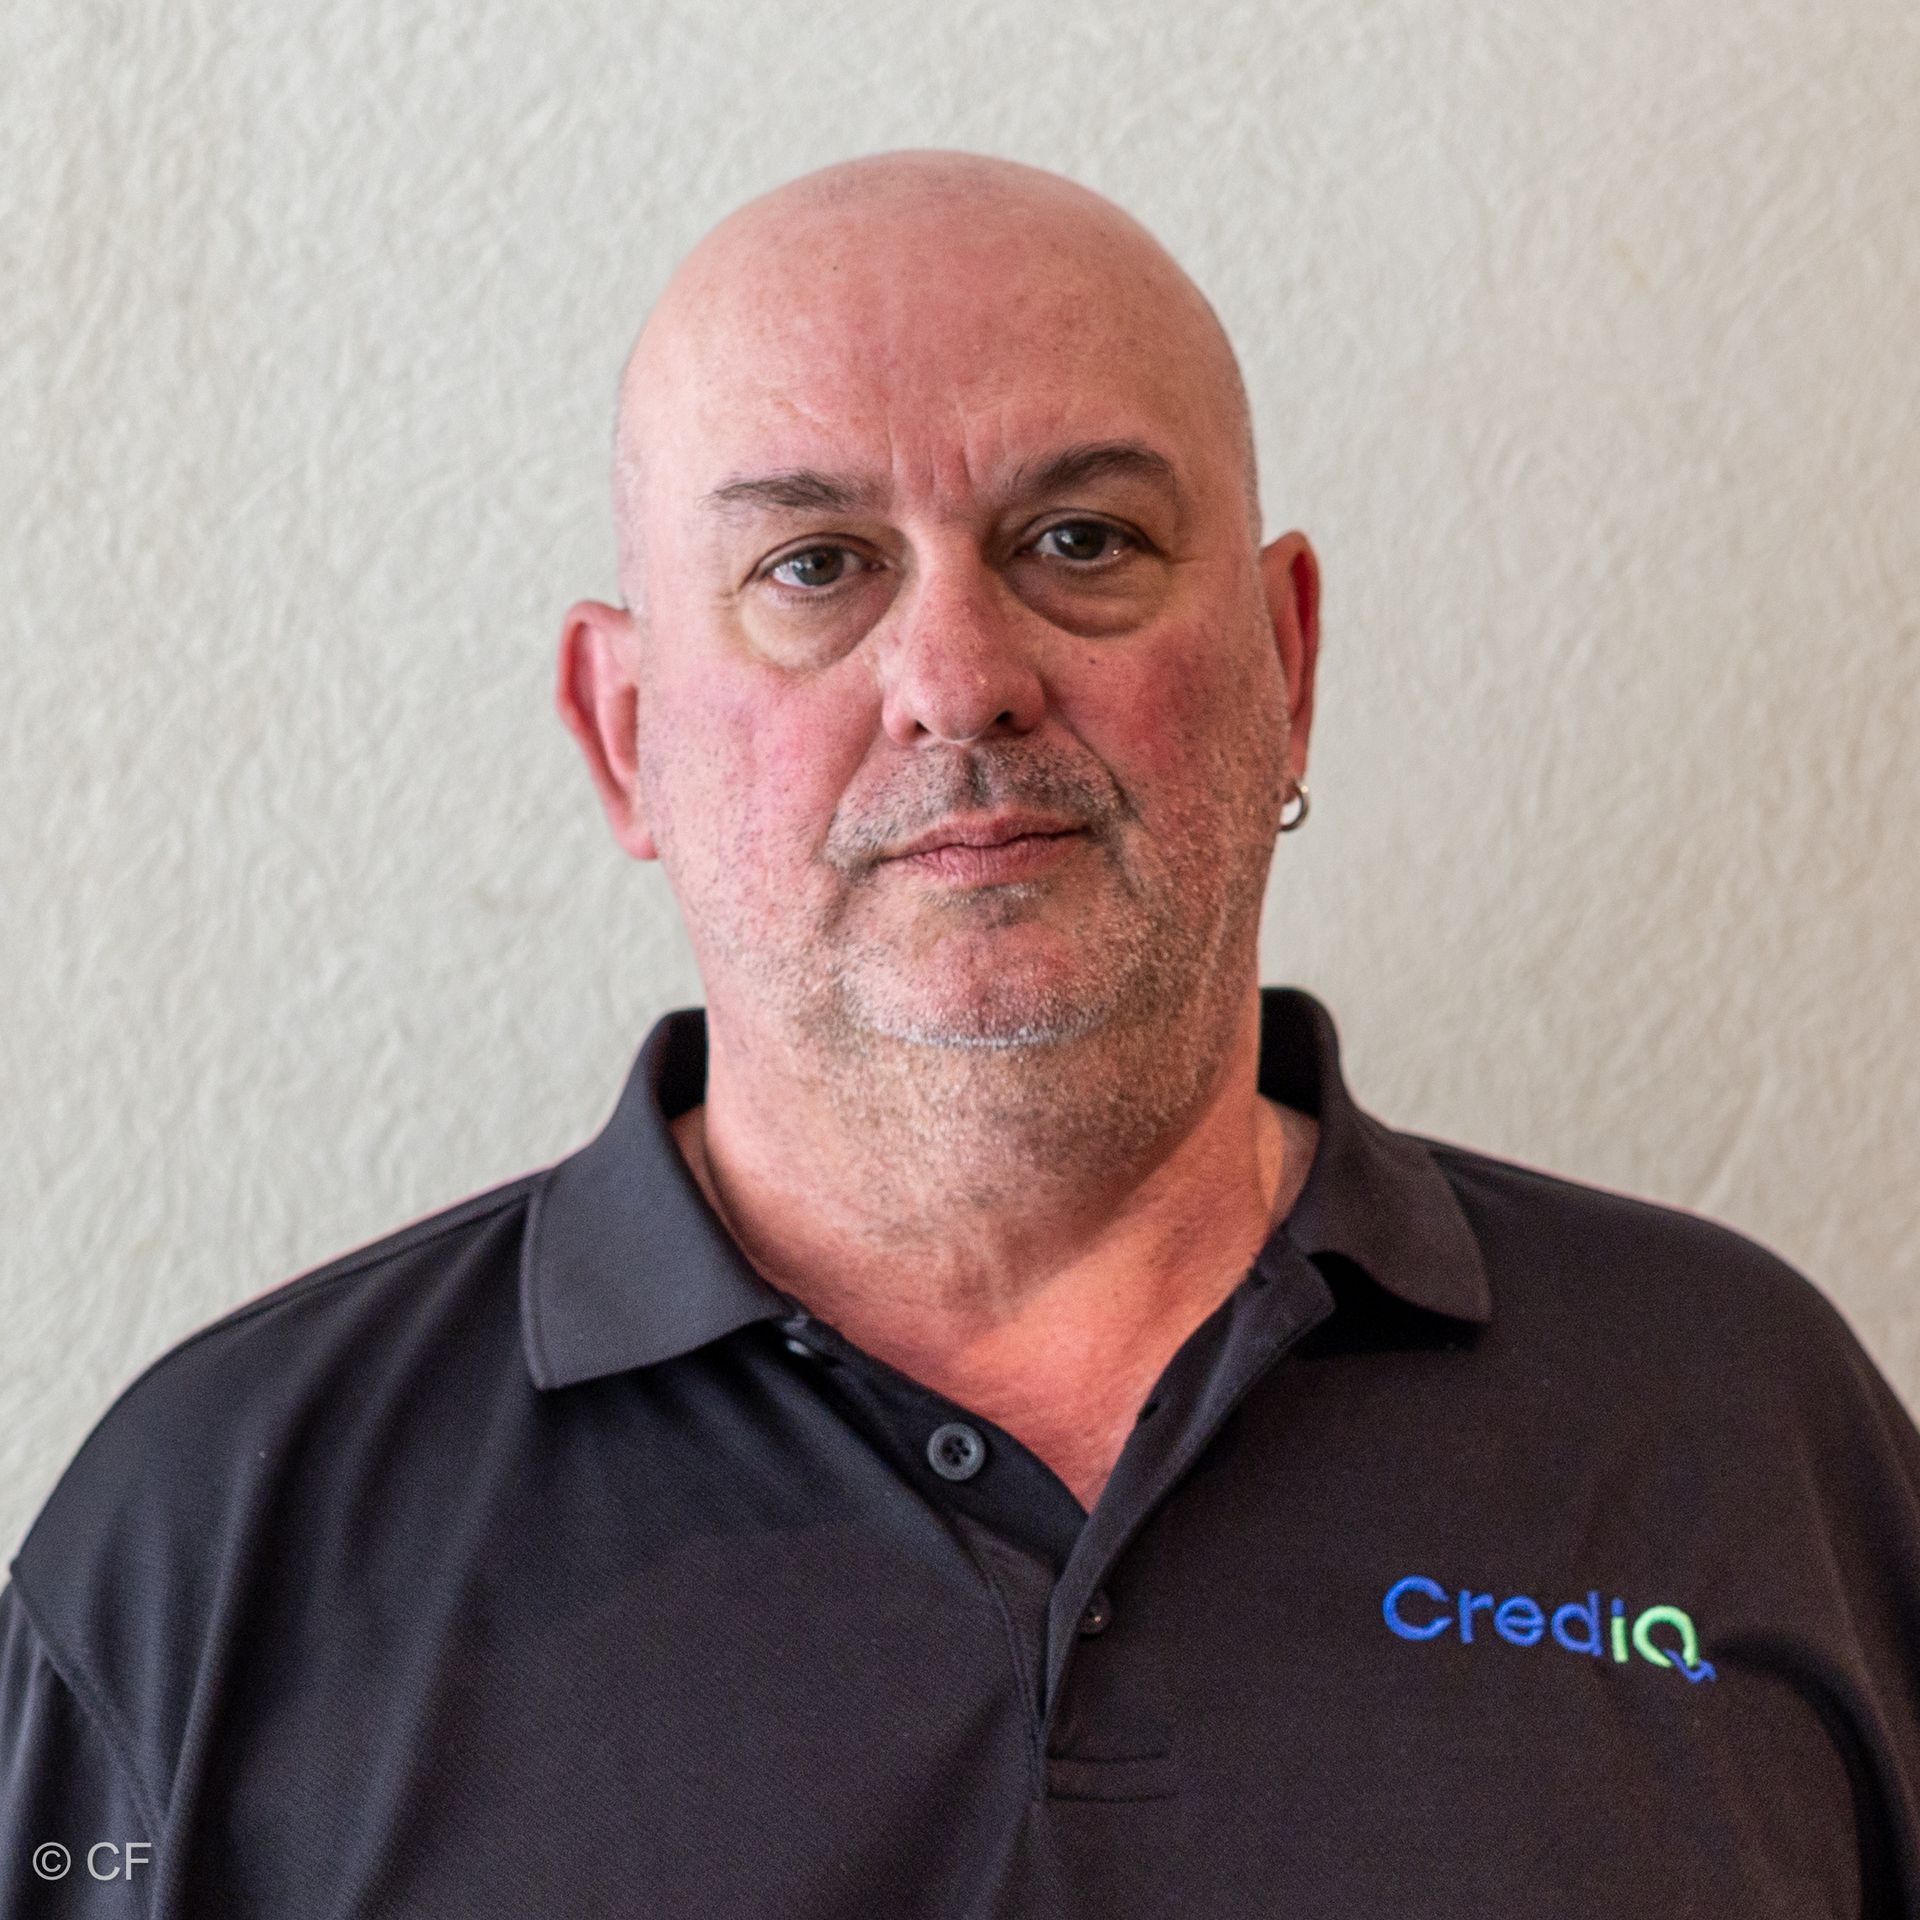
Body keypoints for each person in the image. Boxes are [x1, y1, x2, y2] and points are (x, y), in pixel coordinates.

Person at [4, 150, 1917, 1920]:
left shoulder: (1749, 1435)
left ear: (1289, 663)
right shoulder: (211, 1543)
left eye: (1081, 540)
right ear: (624, 730)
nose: (958, 682)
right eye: (814, 565)